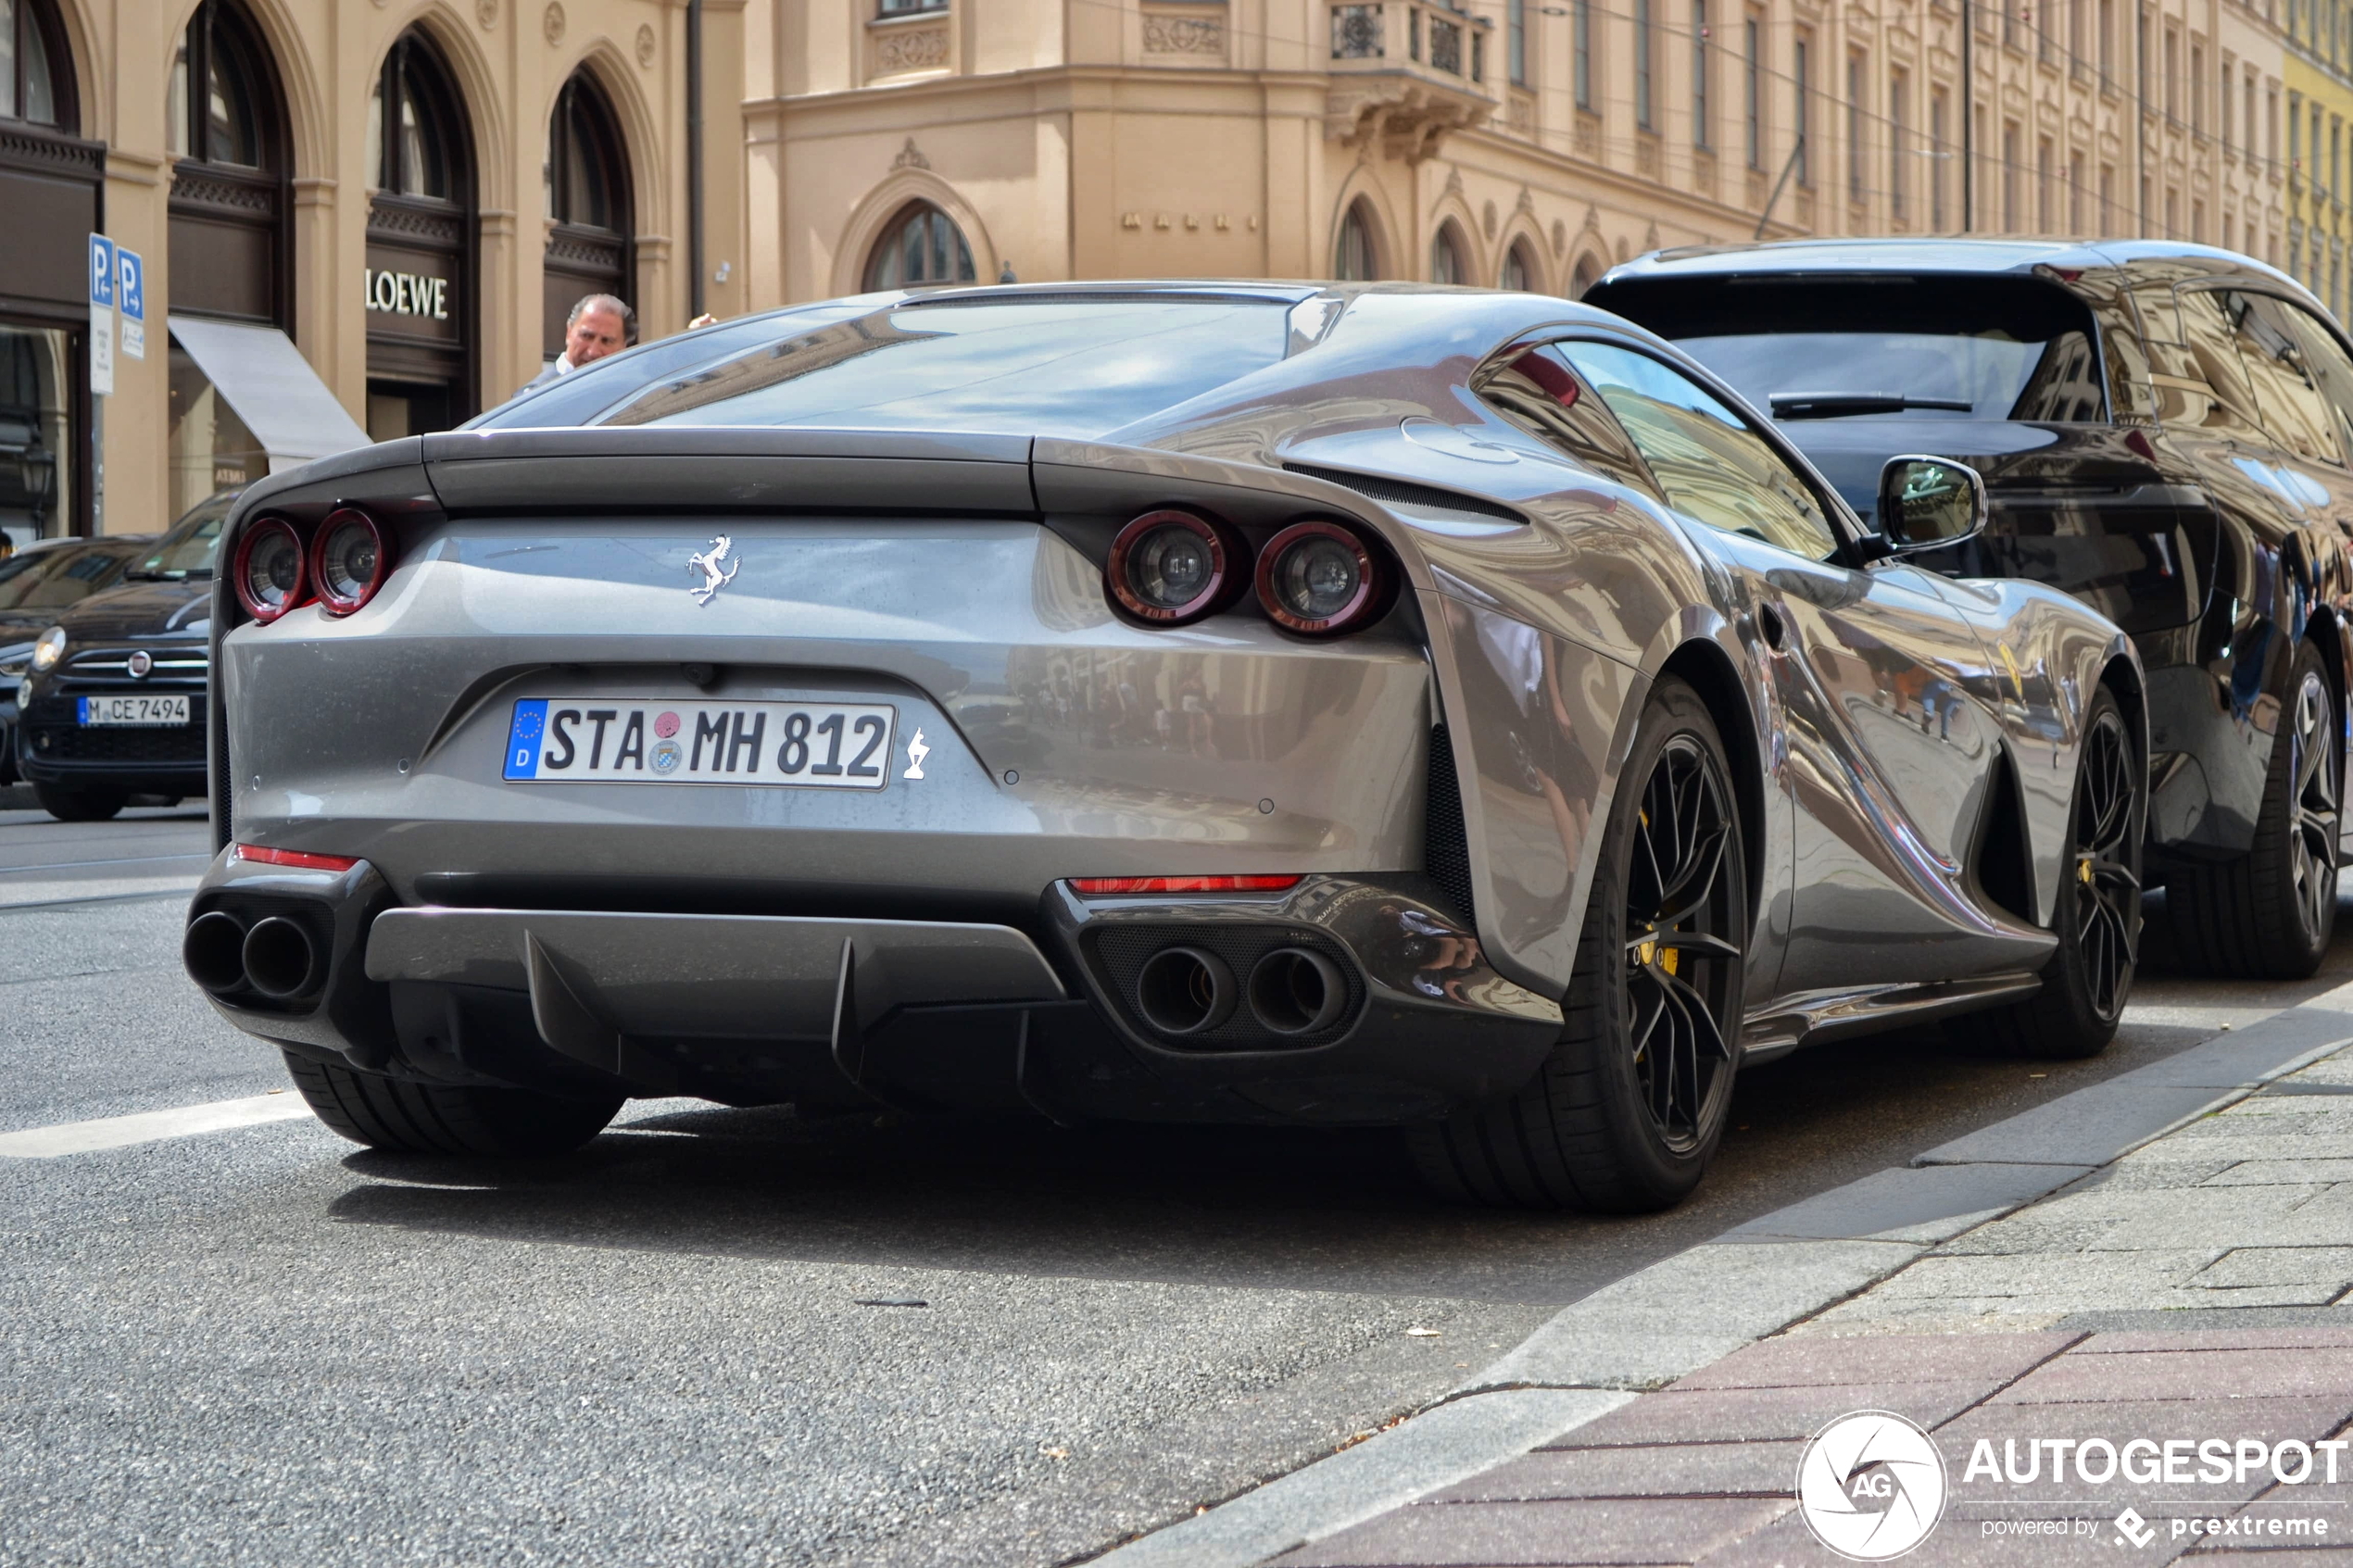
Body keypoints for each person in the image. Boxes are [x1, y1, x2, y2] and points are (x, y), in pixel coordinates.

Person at [522, 294, 634, 394]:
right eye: (586, 336)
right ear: (569, 333)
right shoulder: (534, 397)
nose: (593, 352)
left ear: (623, 347)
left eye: (606, 341)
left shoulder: (630, 397)